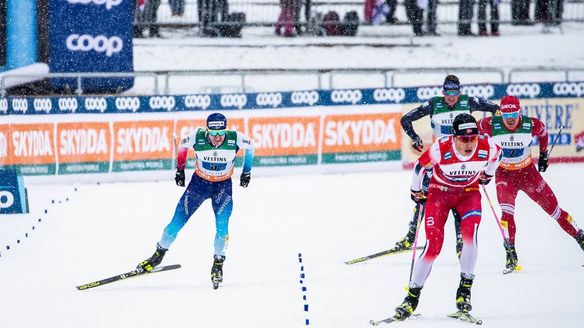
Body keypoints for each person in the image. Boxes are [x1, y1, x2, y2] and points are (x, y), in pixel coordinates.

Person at [392, 113, 502, 320]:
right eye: (464, 139)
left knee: (469, 239)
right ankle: (411, 298)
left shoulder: (487, 146)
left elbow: (498, 155)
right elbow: (419, 168)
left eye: (473, 138)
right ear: (454, 137)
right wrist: (415, 192)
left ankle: (464, 291)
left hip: (468, 195)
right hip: (439, 196)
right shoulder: (440, 148)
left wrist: (488, 174)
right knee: (433, 247)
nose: (469, 144)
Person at [136, 113, 255, 289]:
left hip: (222, 187)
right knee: (174, 225)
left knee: (222, 228)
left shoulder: (236, 138)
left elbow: (251, 147)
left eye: (221, 133)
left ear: (226, 130)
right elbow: (183, 146)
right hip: (198, 186)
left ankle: (218, 263)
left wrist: (246, 172)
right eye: (213, 133)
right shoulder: (197, 137)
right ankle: (158, 255)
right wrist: (180, 170)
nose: (217, 138)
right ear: (207, 130)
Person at [396, 75, 499, 257]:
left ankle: (461, 240)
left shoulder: (469, 102)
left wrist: (483, 132)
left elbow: (495, 110)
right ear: (443, 92)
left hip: (462, 160)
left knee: (461, 197)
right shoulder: (434, 104)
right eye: (447, 92)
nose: (451, 96)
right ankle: (411, 236)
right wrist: (415, 137)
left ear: (460, 91)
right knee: (423, 197)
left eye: (455, 91)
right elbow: (405, 119)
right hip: (439, 160)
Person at [478, 95, 584, 272]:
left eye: (513, 113)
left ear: (519, 112)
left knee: (555, 211)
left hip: (528, 174)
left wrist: (543, 155)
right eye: (506, 113)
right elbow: (472, 134)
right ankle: (510, 254)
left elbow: (543, 133)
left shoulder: (530, 124)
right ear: (500, 113)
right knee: (506, 215)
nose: (510, 118)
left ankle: (581, 238)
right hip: (504, 175)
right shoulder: (489, 124)